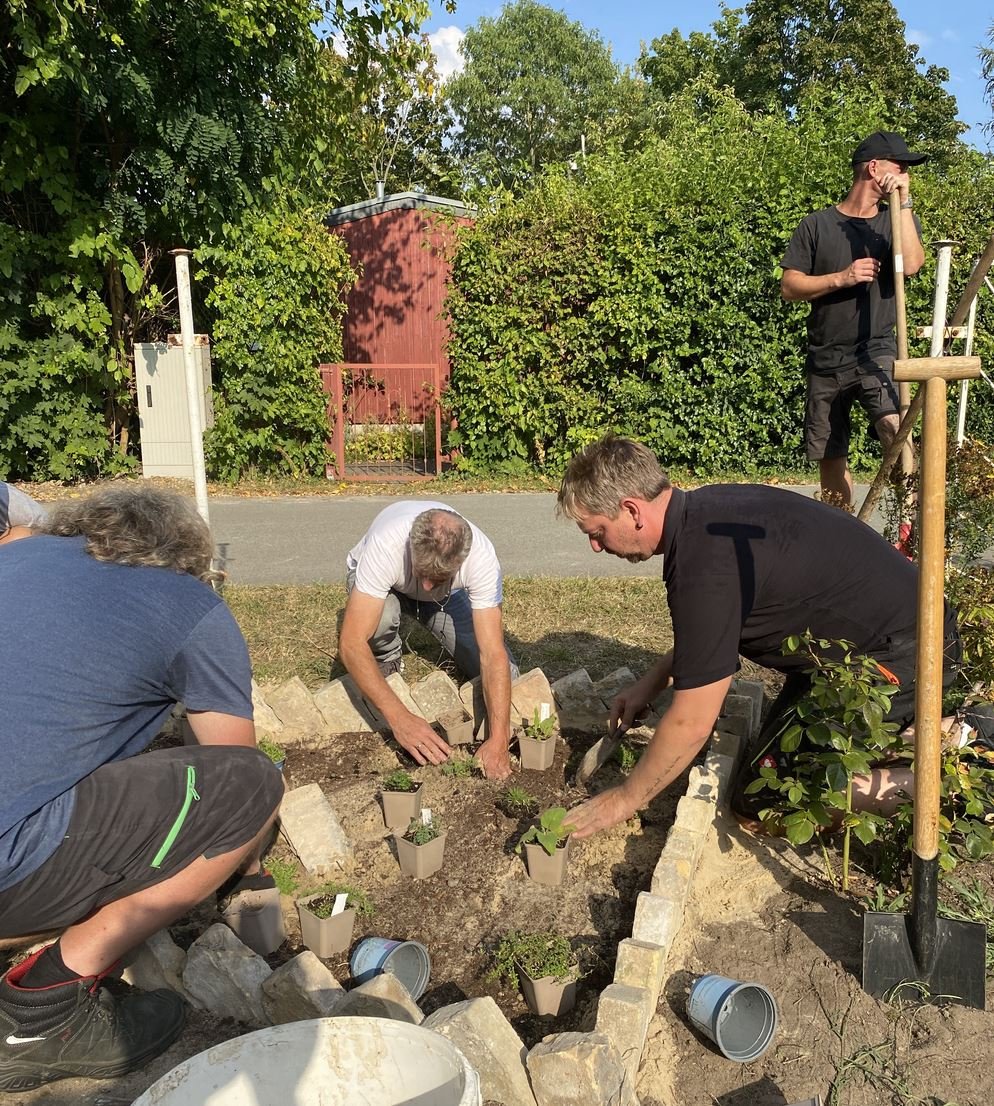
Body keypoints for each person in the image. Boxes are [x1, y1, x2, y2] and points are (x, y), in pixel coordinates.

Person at [0, 486, 284, 1092]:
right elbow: (233, 758)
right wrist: (248, 862)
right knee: (252, 786)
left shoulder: (16, 556)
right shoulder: (189, 604)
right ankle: (42, 1013)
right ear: (184, 557)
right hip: (8, 865)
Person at [556, 435, 959, 840]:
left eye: (597, 531)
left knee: (764, 802)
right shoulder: (707, 512)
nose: (595, 546)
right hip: (887, 638)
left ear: (631, 510)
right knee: (769, 770)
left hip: (906, 656)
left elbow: (693, 722)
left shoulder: (703, 568)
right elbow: (711, 633)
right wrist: (652, 682)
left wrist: (623, 799)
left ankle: (946, 785)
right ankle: (922, 736)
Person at [781, 131, 927, 509]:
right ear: (874, 168)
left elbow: (911, 264)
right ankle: (842, 537)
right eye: (901, 167)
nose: (905, 174)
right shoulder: (816, 226)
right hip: (825, 358)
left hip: (875, 349)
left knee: (894, 427)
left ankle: (911, 524)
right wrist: (841, 277)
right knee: (831, 458)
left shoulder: (895, 221)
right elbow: (790, 286)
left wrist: (905, 201)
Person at [339, 501, 517, 780]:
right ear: (411, 546)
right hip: (387, 588)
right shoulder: (387, 544)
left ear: (459, 561)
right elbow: (351, 643)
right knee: (381, 619)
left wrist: (499, 739)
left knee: (508, 676)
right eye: (422, 574)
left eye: (438, 578)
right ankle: (385, 659)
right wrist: (400, 718)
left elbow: (493, 654)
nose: (425, 587)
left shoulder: (480, 557)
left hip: (445, 600)